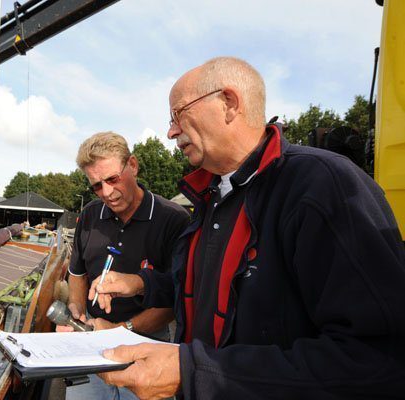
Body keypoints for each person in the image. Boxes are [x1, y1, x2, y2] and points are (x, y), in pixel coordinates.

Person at [90, 57, 405, 399]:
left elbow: (379, 361)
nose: (170, 131)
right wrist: (137, 283)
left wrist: (193, 372)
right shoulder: (212, 198)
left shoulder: (322, 186)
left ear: (229, 103)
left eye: (179, 114)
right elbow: (204, 288)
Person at [59, 131, 190, 400]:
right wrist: (75, 310)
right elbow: (77, 273)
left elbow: (175, 297)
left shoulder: (173, 220)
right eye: (96, 185)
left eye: (112, 179)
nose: (106, 192)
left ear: (133, 165)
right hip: (92, 342)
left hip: (148, 348)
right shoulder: (90, 216)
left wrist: (122, 329)